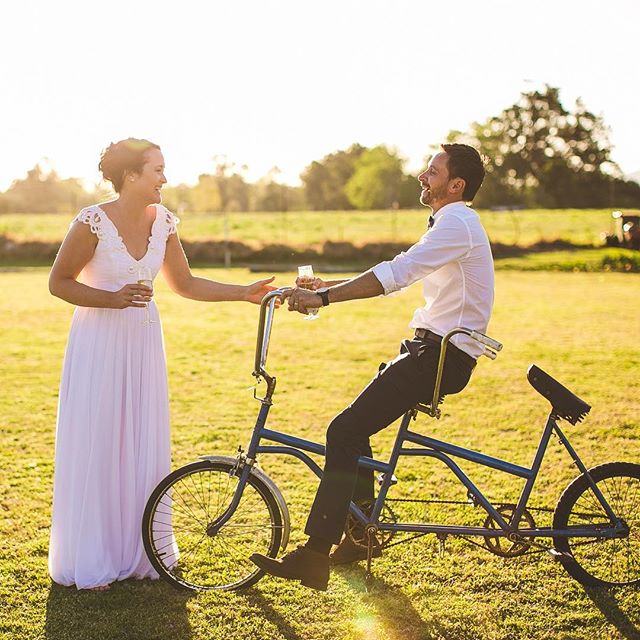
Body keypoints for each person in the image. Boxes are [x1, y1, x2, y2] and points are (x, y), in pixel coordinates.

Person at [250, 143, 494, 591]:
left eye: (433, 171)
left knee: (343, 430)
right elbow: (397, 272)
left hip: (438, 358)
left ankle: (315, 554)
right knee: (352, 430)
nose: (423, 175)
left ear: (456, 185)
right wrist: (329, 286)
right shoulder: (451, 222)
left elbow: (395, 274)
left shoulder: (457, 222)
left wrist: (323, 298)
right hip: (429, 352)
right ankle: (361, 536)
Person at [48, 138, 276, 591]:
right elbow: (58, 283)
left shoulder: (165, 222)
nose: (165, 180)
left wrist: (243, 293)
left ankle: (142, 550)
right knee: (101, 437)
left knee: (141, 438)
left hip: (143, 341)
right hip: (99, 341)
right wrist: (112, 299)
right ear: (130, 176)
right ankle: (96, 554)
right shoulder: (92, 222)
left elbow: (185, 283)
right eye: (157, 170)